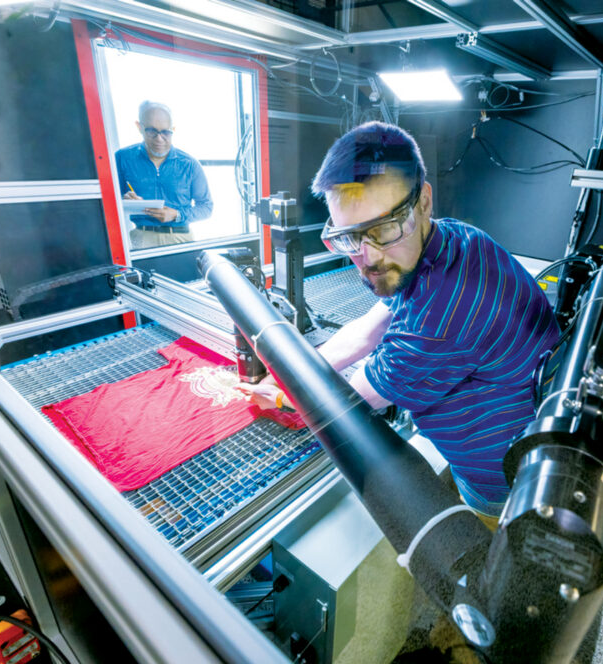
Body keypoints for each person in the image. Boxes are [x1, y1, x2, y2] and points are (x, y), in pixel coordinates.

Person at [241, 122, 559, 524]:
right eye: (348, 237)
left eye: (385, 228)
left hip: (501, 486)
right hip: (517, 436)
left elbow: (339, 410)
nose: (368, 256)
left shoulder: (438, 322)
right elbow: (366, 330)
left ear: (424, 201)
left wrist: (285, 398)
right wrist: (283, 370)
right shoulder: (455, 238)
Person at [115, 101, 213, 249]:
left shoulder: (189, 164)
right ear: (139, 127)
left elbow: (206, 207)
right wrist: (125, 199)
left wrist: (177, 215)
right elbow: (107, 201)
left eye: (165, 132)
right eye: (151, 131)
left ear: (173, 129)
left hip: (181, 238)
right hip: (141, 238)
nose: (159, 139)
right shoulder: (122, 158)